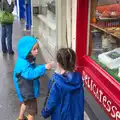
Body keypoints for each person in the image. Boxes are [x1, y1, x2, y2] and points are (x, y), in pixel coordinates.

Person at [13, 36, 51, 120]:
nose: (37, 51)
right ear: (26, 50)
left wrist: (42, 67)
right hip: (28, 91)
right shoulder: (24, 64)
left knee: (24, 103)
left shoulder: (25, 59)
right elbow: (31, 73)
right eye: (34, 49)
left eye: (37, 48)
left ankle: (21, 117)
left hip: (24, 90)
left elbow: (33, 69)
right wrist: (43, 67)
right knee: (32, 112)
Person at [41, 48, 84, 120]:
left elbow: (51, 102)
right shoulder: (78, 78)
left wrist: (45, 113)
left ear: (58, 64)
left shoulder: (55, 82)